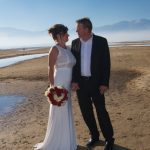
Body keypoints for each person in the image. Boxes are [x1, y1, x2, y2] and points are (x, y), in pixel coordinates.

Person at [71, 17, 114, 150]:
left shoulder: (101, 41)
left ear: (86, 29)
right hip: (81, 85)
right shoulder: (75, 43)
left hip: (96, 84)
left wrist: (104, 83)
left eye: (78, 28)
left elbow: (106, 65)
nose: (76, 31)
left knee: (101, 111)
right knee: (86, 112)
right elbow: (74, 65)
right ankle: (94, 136)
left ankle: (109, 139)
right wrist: (74, 81)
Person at [34, 24, 77, 150]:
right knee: (59, 110)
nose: (68, 35)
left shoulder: (68, 48)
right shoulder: (54, 49)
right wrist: (53, 87)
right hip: (60, 82)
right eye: (66, 34)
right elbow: (50, 68)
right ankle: (58, 142)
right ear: (59, 35)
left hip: (68, 84)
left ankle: (67, 140)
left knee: (66, 109)